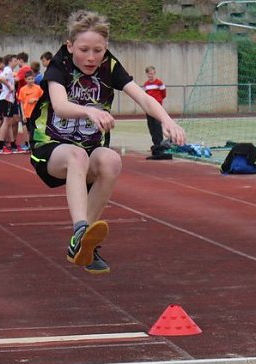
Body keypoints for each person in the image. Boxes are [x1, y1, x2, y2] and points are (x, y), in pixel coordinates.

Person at [30, 10, 186, 274]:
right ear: (70, 46)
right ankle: (81, 229)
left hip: (90, 147)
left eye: (98, 50)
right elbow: (60, 104)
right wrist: (90, 110)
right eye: (84, 50)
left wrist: (167, 121)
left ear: (106, 49)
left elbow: (144, 98)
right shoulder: (60, 64)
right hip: (51, 146)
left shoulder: (109, 66)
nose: (91, 57)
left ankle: (81, 245)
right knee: (76, 156)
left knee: (112, 160)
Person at [142, 65, 170, 159]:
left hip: (157, 106)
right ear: (147, 74)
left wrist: (158, 101)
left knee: (157, 125)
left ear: (155, 73)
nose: (151, 75)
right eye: (149, 74)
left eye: (152, 73)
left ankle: (160, 145)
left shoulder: (159, 83)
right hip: (149, 108)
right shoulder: (146, 85)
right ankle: (155, 144)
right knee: (151, 126)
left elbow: (163, 93)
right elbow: (145, 96)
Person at [0, 54, 21, 154]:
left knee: (9, 122)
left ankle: (13, 145)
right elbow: (1, 78)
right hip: (6, 98)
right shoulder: (8, 70)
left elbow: (0, 77)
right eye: (15, 60)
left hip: (9, 99)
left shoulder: (9, 71)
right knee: (6, 121)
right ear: (10, 62)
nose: (17, 62)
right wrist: (10, 86)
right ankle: (0, 146)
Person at [16, 69, 42, 143]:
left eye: (32, 79)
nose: (31, 80)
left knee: (35, 129)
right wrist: (23, 115)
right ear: (25, 80)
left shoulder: (38, 88)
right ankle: (29, 144)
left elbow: (43, 99)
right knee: (28, 130)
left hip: (36, 113)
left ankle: (34, 144)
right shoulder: (22, 89)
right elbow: (21, 102)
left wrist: (36, 100)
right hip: (26, 113)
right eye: (29, 79)